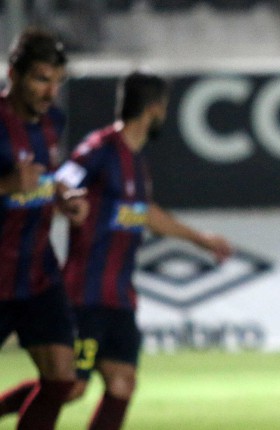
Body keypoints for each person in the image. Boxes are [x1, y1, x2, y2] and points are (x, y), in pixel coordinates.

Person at [0, 72, 233, 430]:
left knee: (122, 381)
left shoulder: (136, 162)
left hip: (119, 298)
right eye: (164, 109)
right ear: (154, 109)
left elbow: (145, 214)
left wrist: (202, 239)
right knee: (70, 385)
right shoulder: (100, 149)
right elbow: (60, 184)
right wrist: (69, 203)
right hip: (85, 296)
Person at [0, 27, 88, 430]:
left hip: (37, 272)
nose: (51, 92)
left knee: (63, 379)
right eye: (41, 79)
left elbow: (43, 175)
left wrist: (61, 195)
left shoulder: (54, 121)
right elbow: (17, 183)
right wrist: (5, 185)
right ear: (13, 75)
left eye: (58, 81)